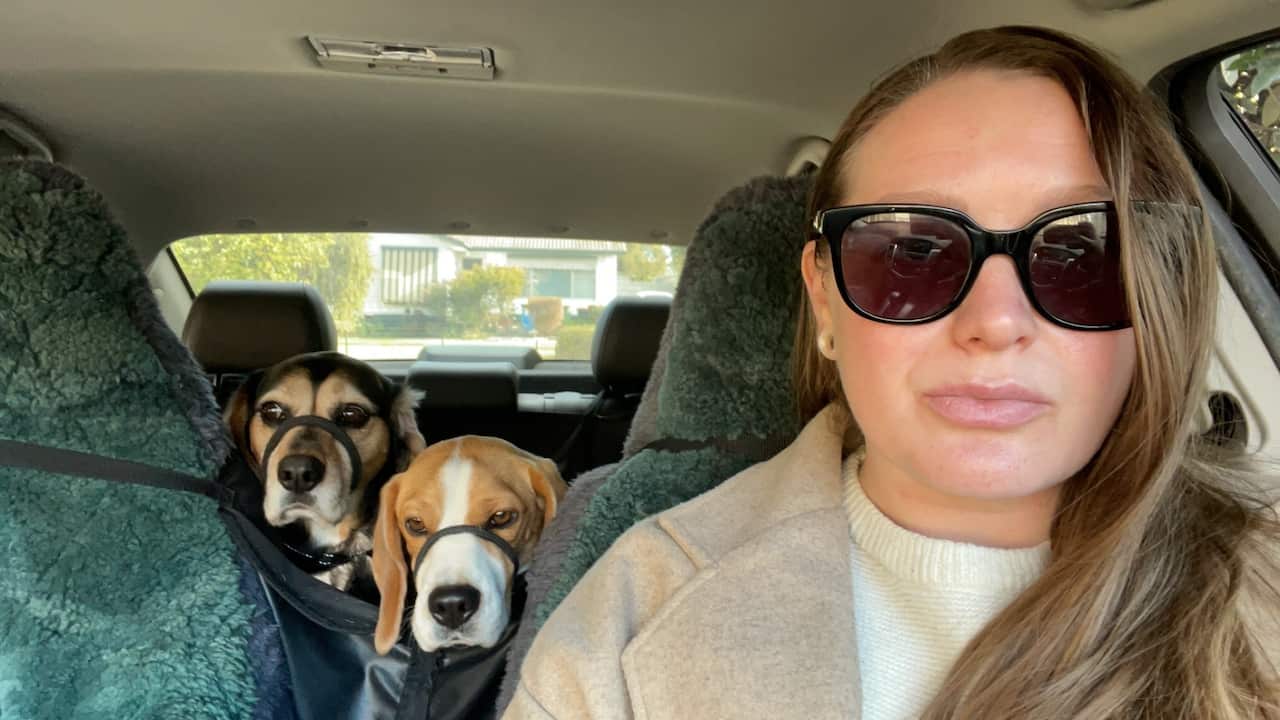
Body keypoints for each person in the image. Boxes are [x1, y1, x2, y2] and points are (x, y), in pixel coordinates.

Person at [504, 25, 1280, 719]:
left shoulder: (1264, 592)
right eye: (911, 251)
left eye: (1081, 252)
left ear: (1159, 297)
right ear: (826, 302)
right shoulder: (629, 611)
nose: (995, 324)